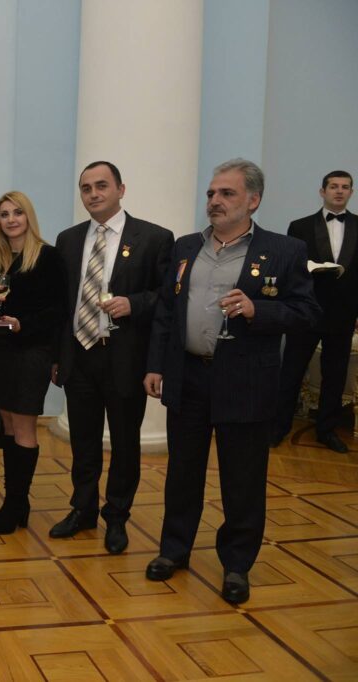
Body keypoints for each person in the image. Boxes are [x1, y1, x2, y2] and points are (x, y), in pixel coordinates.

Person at [144, 159, 319, 604]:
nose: (215, 201)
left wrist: (260, 310)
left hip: (245, 381)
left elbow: (307, 314)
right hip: (188, 375)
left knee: (242, 479)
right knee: (182, 472)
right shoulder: (186, 247)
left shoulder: (284, 251)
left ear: (253, 200)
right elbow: (167, 310)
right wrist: (156, 365)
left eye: (227, 194)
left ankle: (237, 564)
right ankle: (174, 550)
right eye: (211, 193)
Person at [52, 161, 173, 554]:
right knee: (83, 442)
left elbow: (167, 297)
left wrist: (133, 304)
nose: (93, 194)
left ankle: (117, 516)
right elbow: (61, 304)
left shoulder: (154, 238)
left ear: (121, 189)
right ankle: (83, 509)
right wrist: (58, 356)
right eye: (86, 188)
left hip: (124, 358)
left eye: (101, 185)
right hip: (80, 356)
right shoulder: (69, 239)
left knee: (124, 444)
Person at [0, 191, 67, 534]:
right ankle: (16, 501)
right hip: (2, 352)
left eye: (17, 212)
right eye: (4, 214)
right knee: (7, 424)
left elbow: (58, 310)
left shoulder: (47, 256)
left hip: (32, 352)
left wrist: (23, 325)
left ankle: (15, 502)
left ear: (28, 216)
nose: (11, 219)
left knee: (23, 426)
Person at [272, 171, 357, 453]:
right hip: (305, 310)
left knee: (335, 374)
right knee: (291, 371)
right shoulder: (300, 226)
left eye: (345, 187)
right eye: (333, 186)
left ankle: (327, 431)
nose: (339, 191)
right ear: (322, 191)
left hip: (344, 314)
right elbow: (290, 269)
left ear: (351, 192)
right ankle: (279, 427)